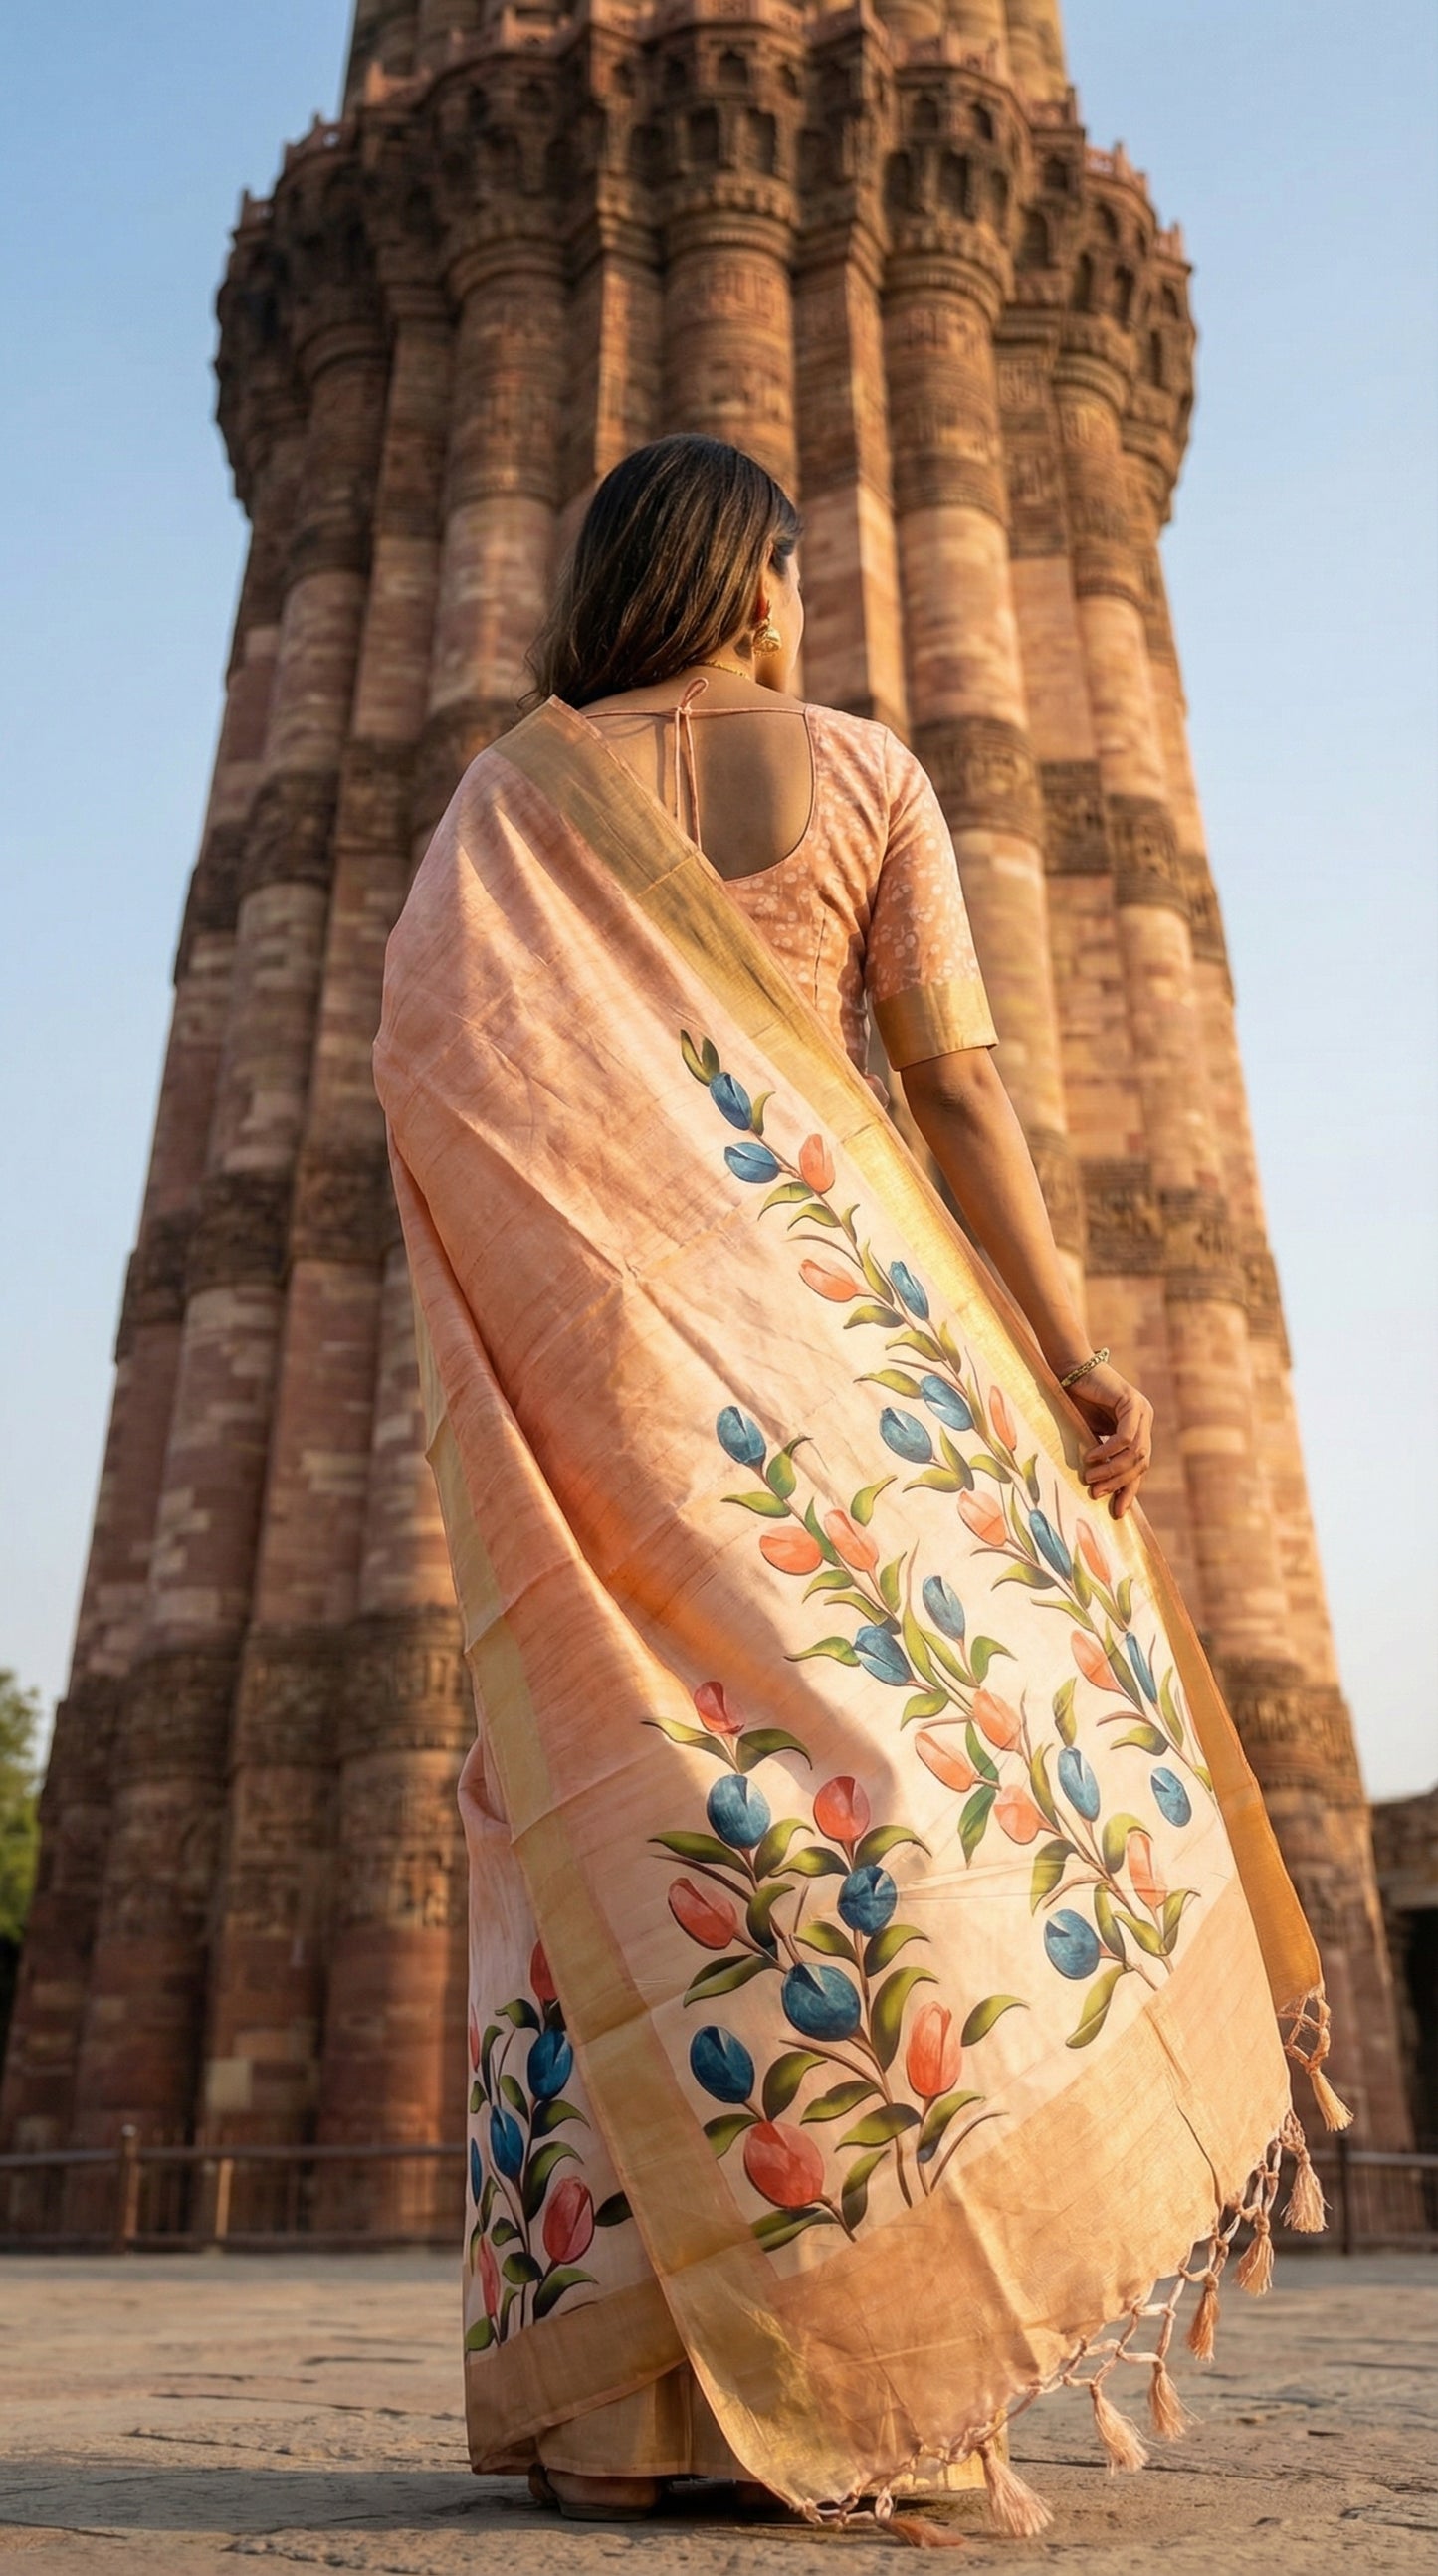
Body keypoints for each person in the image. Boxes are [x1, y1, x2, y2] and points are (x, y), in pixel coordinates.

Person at [374, 435, 1337, 2540]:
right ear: (752, 585)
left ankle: (622, 2424)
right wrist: (1073, 1347)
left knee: (614, 1817)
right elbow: (961, 1092)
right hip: (852, 1387)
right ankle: (920, 2386)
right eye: (785, 579)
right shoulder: (868, 773)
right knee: (902, 1824)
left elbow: (449, 1102)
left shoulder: (505, 813)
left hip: (615, 1406)